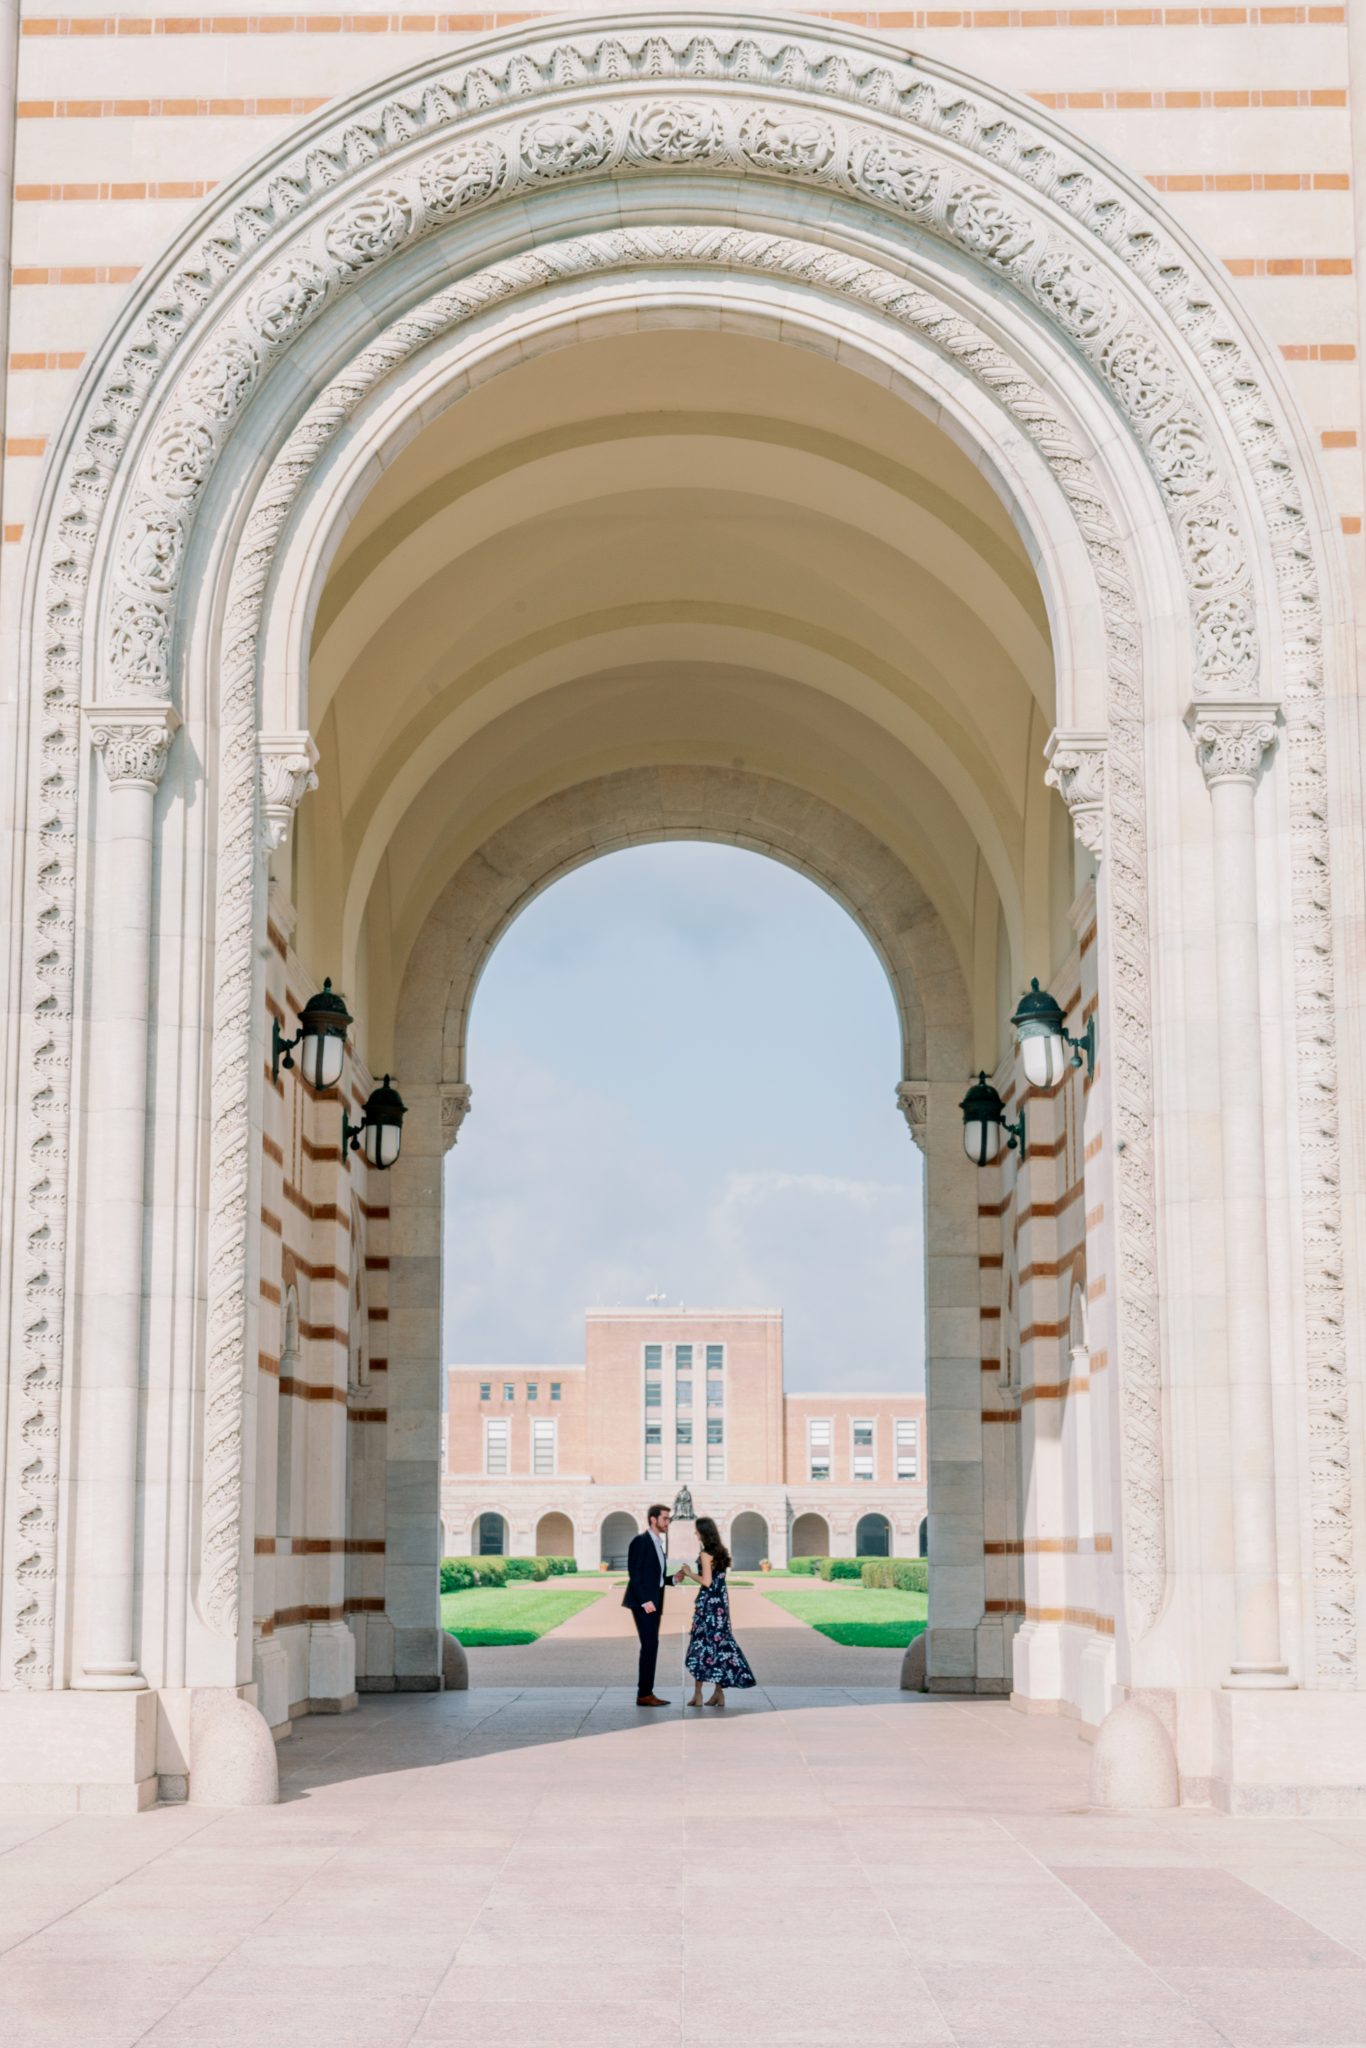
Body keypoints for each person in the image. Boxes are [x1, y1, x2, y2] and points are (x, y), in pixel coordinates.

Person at [677, 1515, 756, 1707]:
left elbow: (707, 1581)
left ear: (703, 1532)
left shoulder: (706, 1554)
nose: (695, 1533)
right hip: (720, 1605)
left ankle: (698, 1695)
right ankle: (718, 1694)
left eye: (697, 1530)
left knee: (702, 1646)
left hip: (708, 1606)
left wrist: (688, 1573)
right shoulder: (721, 1552)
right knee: (719, 1646)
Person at [622, 1503, 675, 1706]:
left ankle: (646, 1692)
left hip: (655, 1602)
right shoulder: (640, 1541)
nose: (667, 1522)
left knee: (651, 1646)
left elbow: (657, 1576)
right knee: (650, 1645)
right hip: (643, 1603)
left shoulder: (658, 1543)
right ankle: (644, 1694)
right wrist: (645, 1601)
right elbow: (634, 1574)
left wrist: (673, 1579)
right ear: (653, 1519)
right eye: (665, 1518)